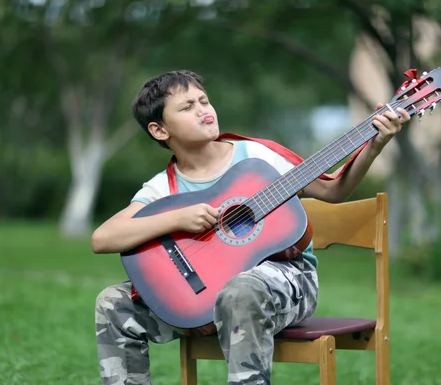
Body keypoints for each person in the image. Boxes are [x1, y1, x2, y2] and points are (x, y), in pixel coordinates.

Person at [91, 70, 409, 385]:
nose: (203, 110)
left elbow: (333, 191)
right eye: (187, 107)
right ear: (160, 130)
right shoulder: (164, 187)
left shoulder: (256, 157)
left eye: (204, 100)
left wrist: (376, 144)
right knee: (113, 303)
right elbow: (103, 238)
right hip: (199, 297)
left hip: (286, 279)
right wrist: (178, 218)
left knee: (240, 291)